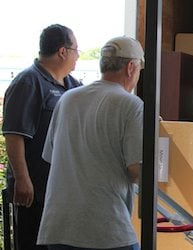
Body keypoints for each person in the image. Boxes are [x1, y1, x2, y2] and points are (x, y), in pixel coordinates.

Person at [37, 36, 144, 250]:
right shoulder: (131, 105)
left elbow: (50, 156)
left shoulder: (67, 99)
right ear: (131, 67)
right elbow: (136, 170)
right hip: (105, 231)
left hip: (59, 228)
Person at [2, 24, 82, 250]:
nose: (78, 56)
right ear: (62, 51)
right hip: (34, 191)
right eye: (76, 49)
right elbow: (14, 135)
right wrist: (22, 179)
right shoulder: (28, 82)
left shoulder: (72, 86)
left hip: (59, 190)